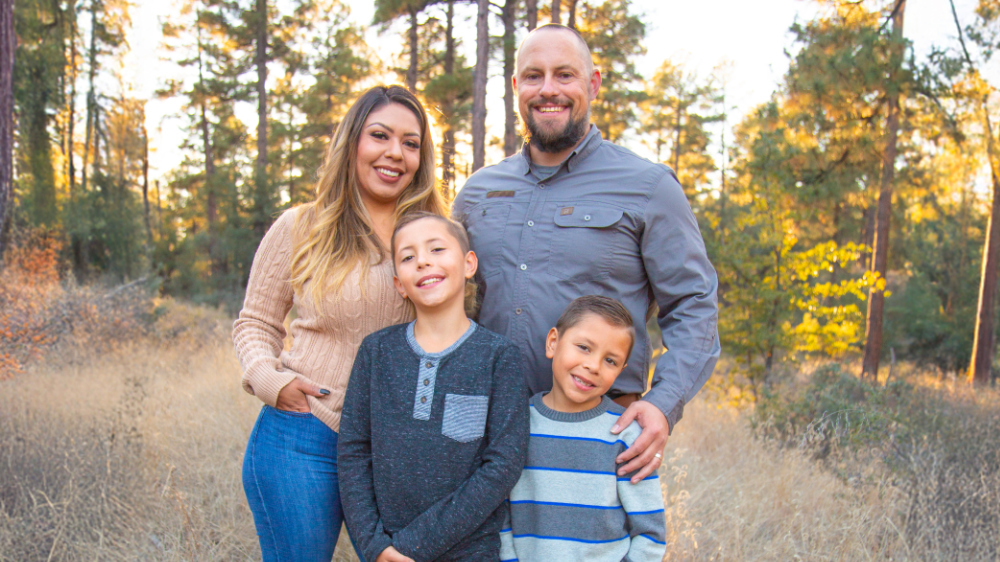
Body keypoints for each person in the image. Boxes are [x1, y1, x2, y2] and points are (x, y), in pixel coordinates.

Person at [452, 23, 720, 485]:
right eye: (533, 76)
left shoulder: (648, 186)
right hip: (481, 430)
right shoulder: (478, 191)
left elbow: (694, 304)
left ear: (593, 83)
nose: (548, 89)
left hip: (596, 434)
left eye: (564, 75)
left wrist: (662, 402)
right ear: (517, 88)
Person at [232, 85, 447, 562]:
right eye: (380, 136)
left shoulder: (434, 237)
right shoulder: (301, 227)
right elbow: (255, 323)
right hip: (303, 437)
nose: (395, 153)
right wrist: (273, 382)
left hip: (398, 447)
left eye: (411, 143)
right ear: (352, 142)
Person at [338, 213, 530, 562]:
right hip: (385, 549)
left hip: (470, 550)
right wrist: (376, 547)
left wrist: (411, 546)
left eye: (437, 249)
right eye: (408, 257)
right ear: (399, 283)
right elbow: (353, 452)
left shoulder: (499, 357)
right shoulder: (376, 352)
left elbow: (504, 464)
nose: (423, 260)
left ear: (468, 263)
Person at [499, 295, 667, 561]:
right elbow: (501, 514)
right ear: (553, 342)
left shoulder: (625, 435)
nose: (593, 366)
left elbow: (650, 533)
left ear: (621, 370)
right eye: (584, 347)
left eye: (610, 361)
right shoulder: (517, 424)